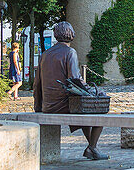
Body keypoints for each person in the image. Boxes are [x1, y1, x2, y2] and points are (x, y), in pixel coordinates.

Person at [32, 21, 108, 160]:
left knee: (83, 108)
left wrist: (38, 107)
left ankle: (92, 149)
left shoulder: (45, 54)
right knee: (99, 111)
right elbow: (74, 80)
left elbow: (37, 84)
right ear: (71, 34)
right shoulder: (70, 52)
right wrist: (93, 92)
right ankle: (92, 147)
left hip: (48, 106)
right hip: (63, 105)